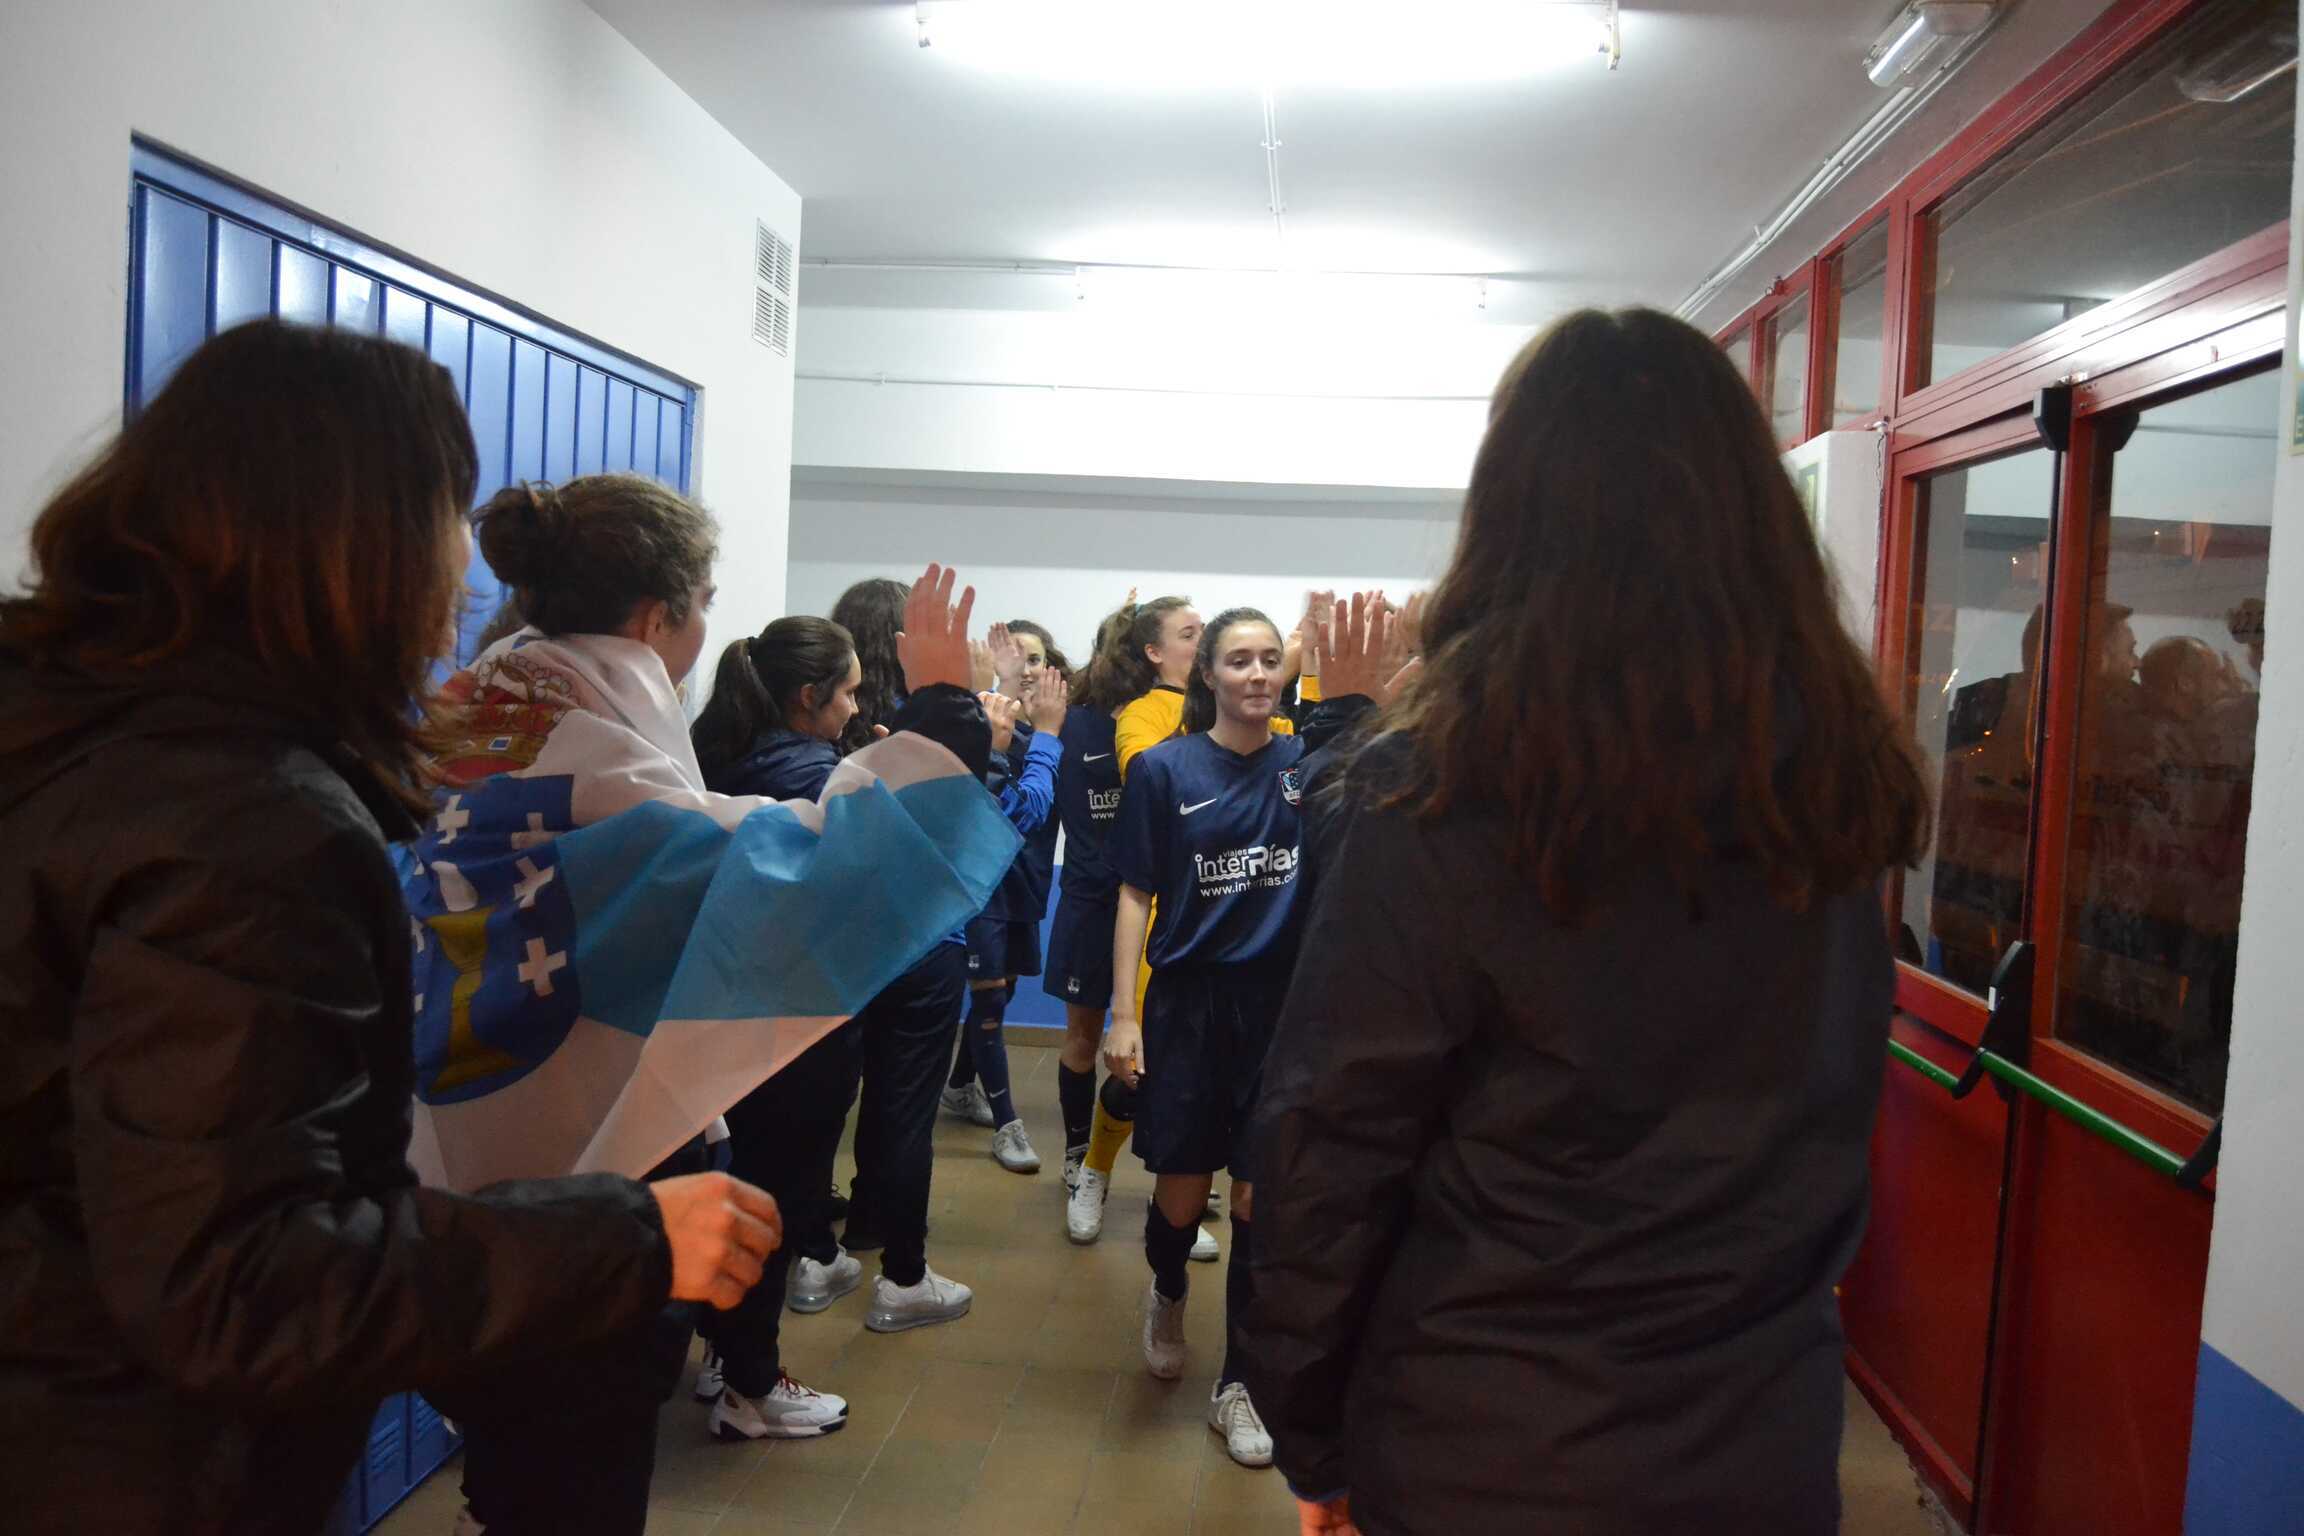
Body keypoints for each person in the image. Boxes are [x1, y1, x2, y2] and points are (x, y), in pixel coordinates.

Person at [0, 321, 782, 1536]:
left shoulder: (69, 731)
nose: (461, 574)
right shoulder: (244, 829)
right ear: (355, 542)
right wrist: (628, 1237)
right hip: (125, 1462)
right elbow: (240, 1284)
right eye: (444, 520)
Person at [1248, 307, 1932, 1536]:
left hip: (1491, 1442)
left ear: (1511, 516)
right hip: (1756, 1435)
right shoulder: (1832, 784)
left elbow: (1331, 1148)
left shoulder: (1438, 795)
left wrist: (1312, 1435)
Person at [411, 485, 1005, 1531]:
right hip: (573, 1193)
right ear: (657, 618)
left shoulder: (474, 713)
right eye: (706, 603)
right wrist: (947, 714)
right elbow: (797, 869)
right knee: (568, 1459)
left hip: (452, 1145)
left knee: (512, 1448)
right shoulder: (597, 758)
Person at [1102, 604, 1381, 1470]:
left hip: (1282, 1014)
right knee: (1182, 1201)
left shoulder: (1307, 764)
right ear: (1208, 675)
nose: (1257, 674)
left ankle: (1240, 1386)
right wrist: (1123, 1014)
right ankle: (1168, 1288)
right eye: (1238, 660)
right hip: (1190, 1008)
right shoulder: (1164, 768)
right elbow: (1135, 893)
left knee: (1261, 1200)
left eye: (1268, 659)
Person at [682, 616, 875, 1439]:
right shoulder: (817, 780)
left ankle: (727, 1355)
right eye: (849, 693)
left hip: (728, 1011)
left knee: (739, 1186)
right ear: (808, 696)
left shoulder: (718, 753)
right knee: (776, 1203)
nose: (856, 708)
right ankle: (751, 1390)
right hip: (798, 1026)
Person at [825, 575, 996, 1332]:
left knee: (823, 1097)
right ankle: (902, 1271)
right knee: (903, 1109)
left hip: (834, 938)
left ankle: (817, 1247)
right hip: (923, 940)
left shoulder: (829, 721)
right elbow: (972, 816)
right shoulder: (923, 732)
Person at [944, 620, 1070, 1174]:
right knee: (991, 1000)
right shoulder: (981, 724)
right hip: (982, 886)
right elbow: (1014, 807)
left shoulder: (1055, 729)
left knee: (1002, 992)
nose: (1026, 668)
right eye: (1014, 658)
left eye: (1035, 658)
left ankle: (958, 1085)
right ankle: (1007, 1123)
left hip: (1027, 882)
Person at [1046, 603, 1141, 1207]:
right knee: (1082, 1037)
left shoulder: (1171, 720)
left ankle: (1171, 1158)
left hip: (1152, 904)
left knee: (1152, 1042)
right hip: (1086, 901)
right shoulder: (1071, 724)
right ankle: (1078, 1153)